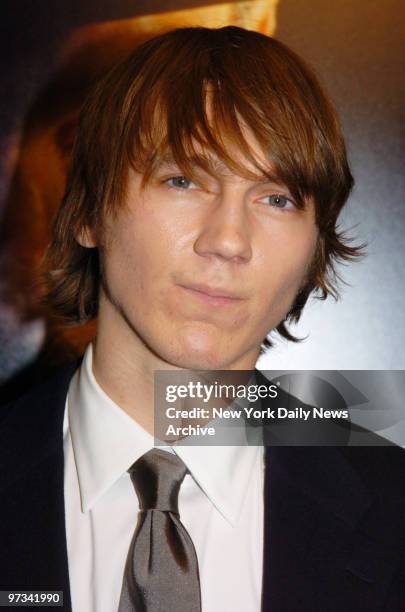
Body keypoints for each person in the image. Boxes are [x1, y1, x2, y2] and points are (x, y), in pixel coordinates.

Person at [0, 26, 403, 612]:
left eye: (277, 198)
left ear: (314, 248)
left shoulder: (391, 505)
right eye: (182, 180)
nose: (229, 240)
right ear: (88, 212)